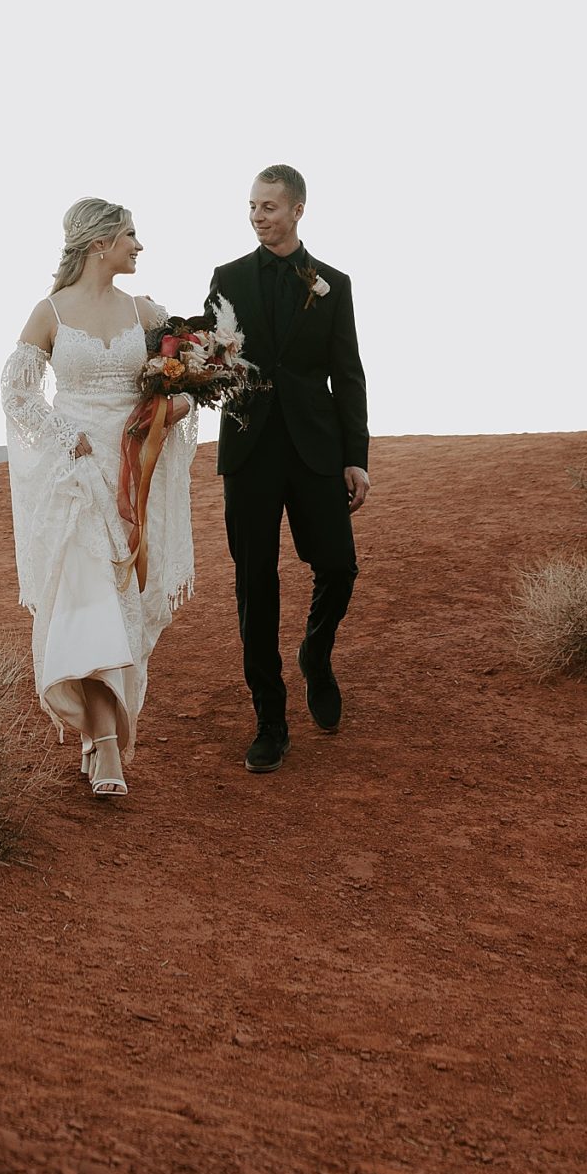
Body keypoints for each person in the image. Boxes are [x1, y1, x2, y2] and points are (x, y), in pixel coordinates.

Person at [1, 198, 196, 797]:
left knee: (121, 604)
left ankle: (95, 731)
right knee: (88, 602)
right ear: (99, 244)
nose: (139, 247)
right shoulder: (51, 312)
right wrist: (65, 437)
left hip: (135, 471)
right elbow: (17, 391)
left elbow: (184, 380)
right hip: (78, 476)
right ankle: (108, 745)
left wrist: (178, 405)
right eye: (131, 236)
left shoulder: (146, 312)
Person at [204, 165, 368, 774]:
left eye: (268, 206)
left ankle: (316, 655)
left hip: (316, 447)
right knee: (256, 583)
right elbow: (213, 357)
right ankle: (270, 720)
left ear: (297, 209)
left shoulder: (333, 284)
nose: (257, 216)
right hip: (249, 449)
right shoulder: (227, 279)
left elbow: (347, 373)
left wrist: (356, 457)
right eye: (252, 206)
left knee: (339, 566)